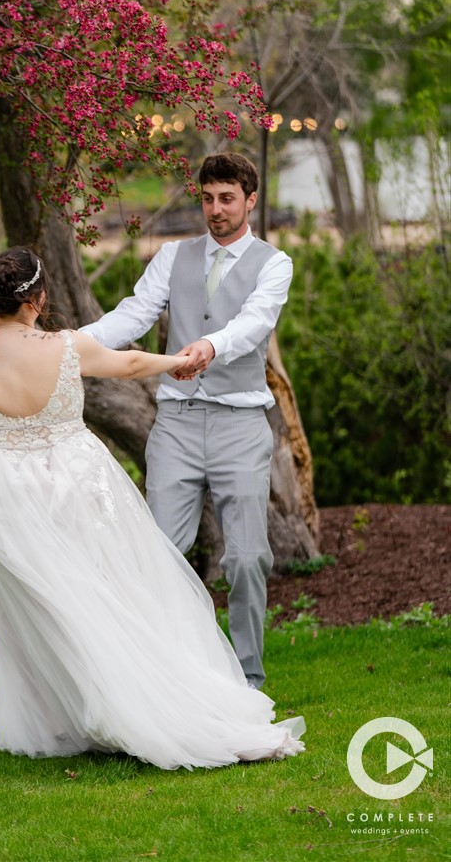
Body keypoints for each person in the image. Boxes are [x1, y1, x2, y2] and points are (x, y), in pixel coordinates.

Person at [0, 245, 304, 769]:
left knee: (42, 605)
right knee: (109, 590)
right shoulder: (62, 346)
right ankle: (125, 706)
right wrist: (180, 362)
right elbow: (130, 363)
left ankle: (70, 712)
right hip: (73, 481)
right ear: (37, 298)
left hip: (8, 490)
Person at [81, 152, 293, 690]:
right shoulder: (173, 258)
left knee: (246, 560)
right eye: (207, 198)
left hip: (240, 428)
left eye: (227, 198)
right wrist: (76, 342)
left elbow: (253, 324)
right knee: (160, 556)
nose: (216, 209)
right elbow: (134, 312)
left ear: (250, 199)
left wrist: (210, 345)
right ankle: (164, 676)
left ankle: (248, 678)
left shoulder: (274, 263)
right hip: (175, 425)